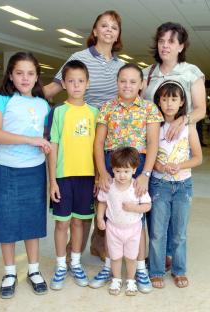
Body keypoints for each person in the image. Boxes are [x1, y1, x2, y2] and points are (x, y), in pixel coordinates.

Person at [44, 10, 125, 261]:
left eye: (114, 26)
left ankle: (99, 244)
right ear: (95, 31)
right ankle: (72, 249)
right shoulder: (78, 57)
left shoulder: (121, 66)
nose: (109, 30)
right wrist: (25, 96)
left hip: (111, 138)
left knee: (104, 191)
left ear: (118, 34)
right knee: (86, 191)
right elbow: (54, 87)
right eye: (104, 25)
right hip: (81, 135)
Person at [91, 63, 163, 293]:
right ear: (117, 82)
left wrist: (145, 174)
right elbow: (99, 143)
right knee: (109, 214)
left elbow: (153, 143)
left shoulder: (149, 109)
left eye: (133, 81)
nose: (128, 85)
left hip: (138, 165)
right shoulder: (107, 107)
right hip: (111, 163)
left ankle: (140, 268)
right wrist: (102, 172)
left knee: (136, 219)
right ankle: (107, 265)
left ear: (142, 84)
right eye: (123, 80)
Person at [0, 52, 51, 299]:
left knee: (33, 222)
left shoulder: (43, 104)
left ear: (37, 77)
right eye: (20, 73)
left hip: (34, 171)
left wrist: (45, 144)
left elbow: (46, 137)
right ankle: (10, 272)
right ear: (11, 75)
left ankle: (34, 270)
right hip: (6, 170)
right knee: (7, 221)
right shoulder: (0, 100)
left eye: (30, 73)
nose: (25, 78)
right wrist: (30, 140)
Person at [142, 21, 206, 270]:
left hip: (181, 140)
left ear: (181, 46)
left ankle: (169, 254)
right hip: (153, 143)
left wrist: (183, 120)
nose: (165, 45)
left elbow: (201, 108)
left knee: (176, 206)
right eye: (161, 40)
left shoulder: (191, 72)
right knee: (155, 205)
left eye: (171, 41)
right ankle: (157, 253)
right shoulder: (149, 73)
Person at [47, 60, 99, 290]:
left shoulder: (95, 113)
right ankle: (60, 266)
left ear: (87, 84)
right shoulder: (58, 112)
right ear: (64, 84)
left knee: (79, 222)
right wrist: (52, 181)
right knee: (62, 224)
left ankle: (75, 263)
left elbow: (98, 147)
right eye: (71, 81)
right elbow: (53, 146)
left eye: (80, 81)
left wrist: (98, 177)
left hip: (87, 177)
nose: (76, 85)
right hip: (63, 177)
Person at [148, 80, 202, 289]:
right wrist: (158, 166)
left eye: (174, 99)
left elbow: (197, 157)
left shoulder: (189, 127)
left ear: (181, 103)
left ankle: (179, 270)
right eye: (164, 98)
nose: (169, 103)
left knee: (179, 232)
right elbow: (147, 154)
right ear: (158, 101)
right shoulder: (153, 126)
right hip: (159, 186)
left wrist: (179, 165)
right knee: (157, 231)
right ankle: (156, 271)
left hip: (182, 186)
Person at [97, 147, 151, 296]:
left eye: (126, 171)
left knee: (131, 257)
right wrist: (100, 217)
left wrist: (134, 207)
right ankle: (116, 279)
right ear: (112, 170)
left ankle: (131, 281)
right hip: (113, 228)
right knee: (115, 257)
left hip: (133, 229)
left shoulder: (137, 187)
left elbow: (147, 206)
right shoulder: (109, 186)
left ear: (134, 170)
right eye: (118, 171)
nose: (122, 175)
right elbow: (102, 202)